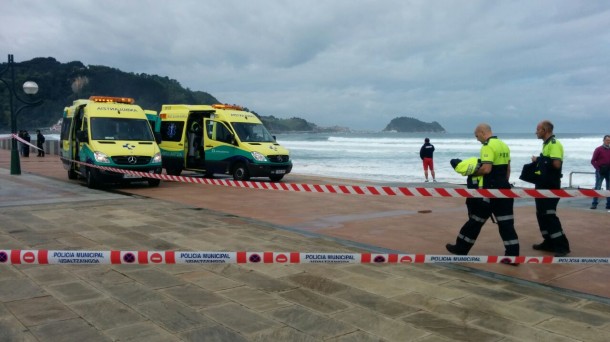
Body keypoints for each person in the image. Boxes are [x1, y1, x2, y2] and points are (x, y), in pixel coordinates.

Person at [446, 123, 520, 264]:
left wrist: (471, 172)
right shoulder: (504, 145)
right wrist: (503, 184)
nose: (476, 138)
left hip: (489, 192)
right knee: (506, 224)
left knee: (475, 221)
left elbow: (486, 169)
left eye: (476, 135)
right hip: (504, 190)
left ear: (482, 132)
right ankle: (513, 256)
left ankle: (461, 249)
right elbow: (508, 169)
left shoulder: (487, 146)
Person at [531, 120, 571, 257]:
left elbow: (556, 164)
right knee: (541, 214)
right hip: (542, 184)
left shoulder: (554, 144)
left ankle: (562, 246)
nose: (536, 132)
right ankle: (548, 242)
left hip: (550, 186)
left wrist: (539, 160)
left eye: (538, 129)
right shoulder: (546, 144)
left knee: (549, 215)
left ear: (545, 130)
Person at [590, 135, 610, 210]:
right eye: (607, 140)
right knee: (598, 187)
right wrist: (598, 169)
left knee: (609, 188)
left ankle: (608, 204)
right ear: (604, 140)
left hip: (609, 170)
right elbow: (592, 161)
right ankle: (594, 204)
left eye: (609, 140)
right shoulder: (598, 149)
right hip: (600, 170)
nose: (608, 142)